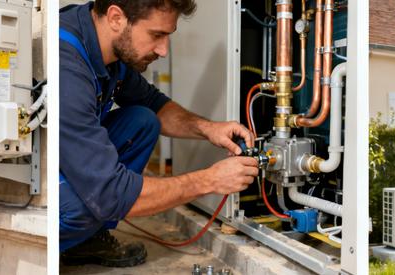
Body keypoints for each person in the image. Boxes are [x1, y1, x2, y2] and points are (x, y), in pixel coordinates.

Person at [59, 0, 259, 267]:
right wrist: (209, 180)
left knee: (143, 121)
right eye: (157, 35)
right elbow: (110, 193)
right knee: (85, 206)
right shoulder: (67, 67)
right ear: (116, 18)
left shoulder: (109, 49)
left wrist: (208, 128)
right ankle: (60, 239)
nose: (164, 50)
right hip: (40, 189)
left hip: (70, 159)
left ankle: (86, 240)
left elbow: (154, 104)